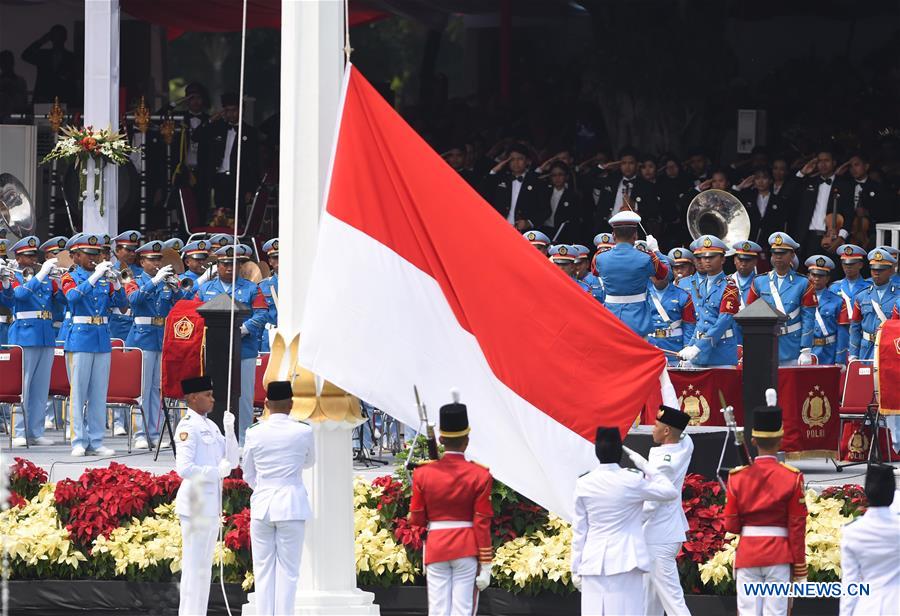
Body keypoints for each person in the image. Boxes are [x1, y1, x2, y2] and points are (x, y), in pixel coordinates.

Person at [571, 426, 679, 616]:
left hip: (592, 562)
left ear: (597, 452)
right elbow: (670, 491)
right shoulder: (632, 480)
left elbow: (580, 531)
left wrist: (575, 568)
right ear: (619, 451)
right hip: (626, 560)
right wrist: (646, 465)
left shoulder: (584, 483)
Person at [408, 392, 493, 616]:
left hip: (436, 545)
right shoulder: (480, 475)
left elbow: (416, 517)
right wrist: (486, 564)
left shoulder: (423, 473)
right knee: (463, 610)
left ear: (441, 439)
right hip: (466, 546)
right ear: (467, 440)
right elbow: (482, 523)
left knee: (437, 610)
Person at [724, 394, 807, 616]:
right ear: (781, 440)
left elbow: (730, 525)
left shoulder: (737, 477)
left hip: (749, 553)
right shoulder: (792, 477)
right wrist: (800, 567)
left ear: (753, 441)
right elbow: (797, 526)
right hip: (779, 555)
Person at [243, 381, 315, 616]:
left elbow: (248, 473)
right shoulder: (303, 430)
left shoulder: (254, 432)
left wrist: (263, 487)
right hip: (291, 504)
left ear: (266, 404)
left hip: (263, 503)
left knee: (262, 570)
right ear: (291, 404)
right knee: (289, 571)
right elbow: (309, 462)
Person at [174, 375, 239, 616]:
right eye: (208, 395)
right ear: (193, 398)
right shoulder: (188, 427)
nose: (213, 400)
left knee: (204, 569)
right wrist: (214, 473)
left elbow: (231, 460)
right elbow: (185, 468)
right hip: (196, 504)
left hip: (210, 504)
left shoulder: (210, 425)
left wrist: (230, 431)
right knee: (194, 569)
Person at [60, 234, 128, 456]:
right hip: (80, 338)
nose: (93, 258)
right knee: (78, 392)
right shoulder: (70, 276)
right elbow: (72, 297)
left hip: (101, 338)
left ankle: (97, 440)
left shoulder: (104, 279)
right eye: (88, 254)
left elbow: (123, 307)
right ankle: (78, 440)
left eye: (95, 254)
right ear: (76, 256)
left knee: (99, 392)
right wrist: (94, 278)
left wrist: (117, 284)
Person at [196, 244, 268, 444]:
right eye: (225, 264)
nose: (229, 268)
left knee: (243, 396)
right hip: (214, 352)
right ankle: (213, 437)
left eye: (234, 264)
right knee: (212, 395)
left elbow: (262, 314)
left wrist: (243, 329)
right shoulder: (206, 289)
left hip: (243, 349)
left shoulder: (252, 288)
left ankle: (243, 438)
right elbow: (194, 313)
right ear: (217, 266)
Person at [124, 241, 191, 449]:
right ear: (142, 261)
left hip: (161, 337)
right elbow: (133, 300)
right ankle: (140, 433)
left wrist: (175, 286)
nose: (156, 263)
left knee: (157, 388)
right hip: (142, 338)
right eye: (152, 260)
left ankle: (154, 431)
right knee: (142, 389)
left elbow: (182, 302)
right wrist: (155, 281)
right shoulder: (134, 280)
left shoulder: (165, 281)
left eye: (159, 259)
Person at [4, 236, 64, 446]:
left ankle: (35, 431)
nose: (31, 259)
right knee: (23, 385)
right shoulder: (14, 276)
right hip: (24, 334)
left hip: (45, 334)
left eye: (33, 256)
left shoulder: (45, 277)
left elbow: (61, 305)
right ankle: (19, 430)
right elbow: (18, 295)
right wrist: (40, 275)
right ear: (18, 258)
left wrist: (58, 284)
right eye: (27, 256)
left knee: (40, 387)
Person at [643, 406, 694, 616]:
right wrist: (663, 376)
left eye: (655, 425)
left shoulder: (663, 463)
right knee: (650, 600)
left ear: (666, 432)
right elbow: (677, 415)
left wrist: (628, 523)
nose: (651, 429)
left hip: (658, 535)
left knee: (673, 603)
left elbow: (652, 503)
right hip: (663, 533)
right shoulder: (684, 446)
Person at [746, 233, 817, 366]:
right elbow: (750, 316)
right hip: (765, 344)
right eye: (775, 252)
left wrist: (806, 349)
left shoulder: (803, 283)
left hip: (792, 346)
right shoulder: (759, 281)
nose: (778, 256)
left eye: (783, 253)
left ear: (792, 255)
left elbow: (808, 318)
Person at [839, 464, 899, 616]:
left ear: (866, 493)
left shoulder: (852, 531)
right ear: (893, 492)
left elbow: (850, 584)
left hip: (866, 607)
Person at [594, 211, 668, 337]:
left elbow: (596, 272)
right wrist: (656, 251)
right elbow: (664, 273)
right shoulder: (646, 258)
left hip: (611, 318)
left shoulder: (600, 258)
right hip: (638, 320)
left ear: (613, 235)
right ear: (635, 235)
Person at [193, 92, 260, 218]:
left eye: (234, 110)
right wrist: (212, 119)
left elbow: (254, 162)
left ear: (242, 110)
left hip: (239, 181)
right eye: (227, 110)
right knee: (218, 216)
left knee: (237, 217)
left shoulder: (250, 133)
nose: (231, 114)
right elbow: (196, 136)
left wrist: (251, 188)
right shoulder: (217, 128)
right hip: (219, 180)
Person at [678, 235, 740, 367]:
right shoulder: (701, 285)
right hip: (701, 356)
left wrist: (698, 347)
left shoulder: (730, 286)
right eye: (704, 257)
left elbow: (723, 321)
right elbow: (701, 321)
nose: (706, 260)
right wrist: (690, 346)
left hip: (721, 355)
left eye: (711, 257)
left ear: (723, 259)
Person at [794, 148, 853, 257]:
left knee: (832, 272)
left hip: (832, 238)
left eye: (827, 160)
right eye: (820, 161)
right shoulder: (809, 182)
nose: (823, 164)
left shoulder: (844, 185)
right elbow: (789, 194)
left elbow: (849, 214)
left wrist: (841, 238)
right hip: (809, 238)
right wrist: (802, 172)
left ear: (834, 163)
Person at [482, 143, 548, 231]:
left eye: (520, 159)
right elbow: (483, 194)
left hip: (524, 232)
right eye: (512, 159)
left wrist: (529, 222)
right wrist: (493, 171)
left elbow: (545, 210)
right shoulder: (501, 179)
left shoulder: (536, 182)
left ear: (528, 161)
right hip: (499, 228)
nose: (516, 162)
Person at [848, 248, 899, 361]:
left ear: (891, 271)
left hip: (889, 349)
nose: (876, 273)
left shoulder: (898, 295)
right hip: (866, 349)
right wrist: (853, 353)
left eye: (882, 269)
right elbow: (855, 327)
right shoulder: (861, 296)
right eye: (874, 269)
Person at [592, 147, 660, 230]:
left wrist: (635, 205)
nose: (627, 166)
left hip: (634, 231)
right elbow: (588, 181)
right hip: (608, 229)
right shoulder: (610, 181)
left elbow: (653, 211)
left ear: (637, 165)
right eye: (624, 163)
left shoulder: (646, 186)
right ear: (619, 164)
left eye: (631, 163)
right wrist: (603, 167)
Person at [646, 260, 695, 364]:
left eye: (662, 273)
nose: (658, 277)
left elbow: (689, 326)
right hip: (650, 346)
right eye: (655, 274)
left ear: (669, 274)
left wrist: (687, 348)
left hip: (674, 348)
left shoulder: (683, 295)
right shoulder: (643, 294)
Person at [20, 25, 80, 105]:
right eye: (55, 35)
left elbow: (77, 78)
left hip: (64, 100)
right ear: (51, 37)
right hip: (43, 99)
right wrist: (42, 40)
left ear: (65, 37)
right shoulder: (43, 55)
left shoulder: (72, 58)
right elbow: (26, 55)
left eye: (60, 35)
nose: (58, 38)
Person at [804, 255, 846, 365]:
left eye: (821, 276)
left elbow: (842, 332)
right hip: (806, 351)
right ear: (808, 276)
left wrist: (840, 358)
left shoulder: (838, 301)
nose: (817, 279)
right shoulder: (801, 298)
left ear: (827, 278)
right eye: (814, 275)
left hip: (829, 352)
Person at [740, 169, 788, 247]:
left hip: (770, 242)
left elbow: (781, 224)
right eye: (757, 178)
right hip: (750, 241)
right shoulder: (748, 198)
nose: (760, 181)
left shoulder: (779, 200)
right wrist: (740, 187)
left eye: (764, 178)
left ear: (770, 180)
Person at [539, 161, 582, 243]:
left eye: (560, 174)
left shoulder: (572, 195)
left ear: (566, 176)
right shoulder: (544, 192)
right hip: (545, 230)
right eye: (554, 175)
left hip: (563, 233)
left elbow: (574, 220)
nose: (557, 178)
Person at [830, 245, 868, 317]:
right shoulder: (834, 287)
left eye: (852, 264)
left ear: (860, 265)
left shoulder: (869, 287)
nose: (848, 267)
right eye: (845, 264)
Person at [258, 238, 279, 353]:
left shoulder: (301, 283)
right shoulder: (263, 286)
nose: (279, 261)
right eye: (275, 258)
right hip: (270, 336)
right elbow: (258, 317)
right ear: (270, 261)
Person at [0, 50, 28, 116]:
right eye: (4, 62)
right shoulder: (21, 81)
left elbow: (23, 102)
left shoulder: (21, 81)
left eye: (7, 61)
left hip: (16, 115)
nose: (6, 64)